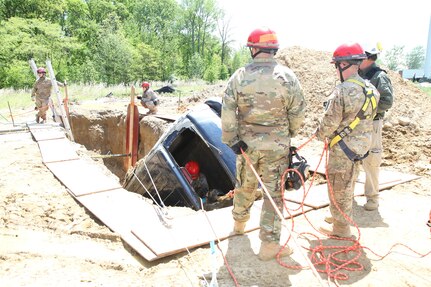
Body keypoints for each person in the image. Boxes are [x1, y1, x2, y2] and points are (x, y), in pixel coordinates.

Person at [221, 28, 306, 261]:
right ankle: (269, 244)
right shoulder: (288, 77)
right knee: (273, 193)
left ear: (253, 48)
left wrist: (232, 140)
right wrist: (288, 134)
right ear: (273, 49)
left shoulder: (239, 76)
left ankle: (239, 225)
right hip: (276, 148)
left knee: (244, 185)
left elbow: (227, 110)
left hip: (246, 146)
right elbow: (298, 112)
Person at [315, 43, 379, 238]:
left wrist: (318, 134)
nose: (335, 70)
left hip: (342, 149)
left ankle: (341, 229)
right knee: (348, 184)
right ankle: (340, 219)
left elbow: (329, 124)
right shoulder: (371, 89)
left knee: (338, 185)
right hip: (360, 147)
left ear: (344, 65)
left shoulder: (342, 91)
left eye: (336, 65)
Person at [359, 43, 394, 211]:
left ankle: (372, 198)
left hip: (372, 123)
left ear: (367, 57)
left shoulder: (379, 76)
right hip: (356, 124)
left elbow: (387, 101)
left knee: (371, 161)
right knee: (352, 159)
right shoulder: (358, 74)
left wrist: (367, 111)